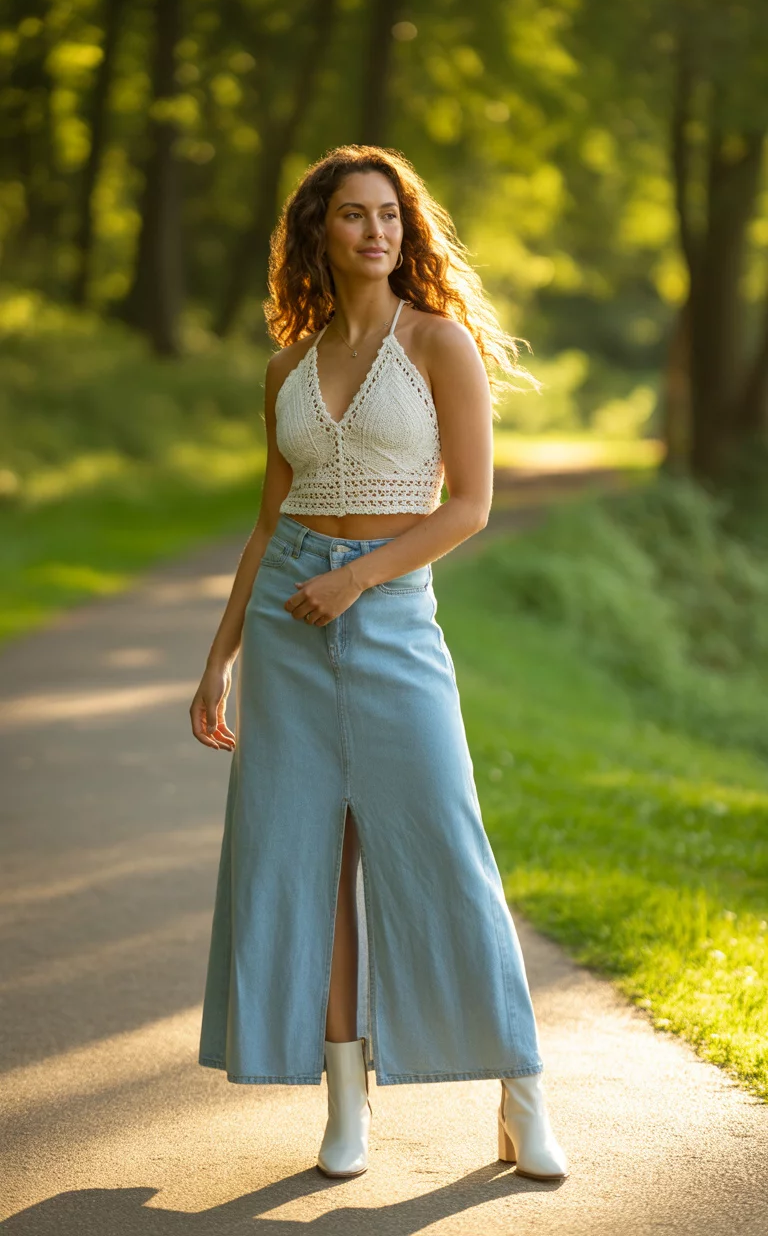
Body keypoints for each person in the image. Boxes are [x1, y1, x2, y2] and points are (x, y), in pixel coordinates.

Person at [191, 144, 569, 1183]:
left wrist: (358, 581)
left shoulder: (438, 343)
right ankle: (345, 1104)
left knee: (445, 845)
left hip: (392, 610)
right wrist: (219, 657)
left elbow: (470, 506)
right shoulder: (286, 369)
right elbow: (268, 524)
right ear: (319, 229)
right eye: (354, 215)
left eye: (390, 216)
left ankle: (523, 1094)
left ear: (407, 232)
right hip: (286, 619)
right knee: (309, 862)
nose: (376, 232)